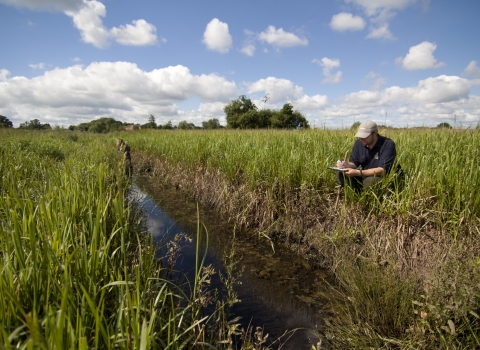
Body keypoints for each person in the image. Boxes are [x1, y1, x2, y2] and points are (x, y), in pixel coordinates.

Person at [336, 120, 400, 191]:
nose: (361, 139)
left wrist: (358, 172)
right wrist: (346, 165)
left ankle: (366, 195)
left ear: (375, 133)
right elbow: (354, 163)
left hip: (378, 176)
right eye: (360, 136)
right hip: (363, 174)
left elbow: (382, 170)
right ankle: (355, 192)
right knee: (341, 174)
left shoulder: (387, 144)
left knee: (370, 181)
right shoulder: (359, 143)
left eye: (365, 136)